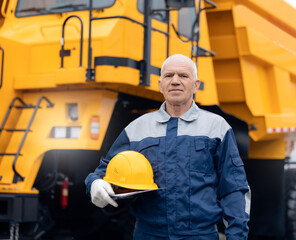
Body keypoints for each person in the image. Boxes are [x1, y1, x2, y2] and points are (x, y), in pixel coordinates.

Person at [85, 54, 250, 240]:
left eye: (183, 76)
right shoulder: (137, 128)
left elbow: (233, 187)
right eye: (169, 75)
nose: (175, 81)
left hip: (199, 236)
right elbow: (105, 170)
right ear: (160, 84)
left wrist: (237, 236)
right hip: (148, 235)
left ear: (196, 85)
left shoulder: (216, 127)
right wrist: (95, 183)